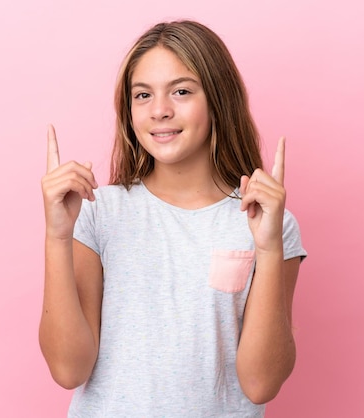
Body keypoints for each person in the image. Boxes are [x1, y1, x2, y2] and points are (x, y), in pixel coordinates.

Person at [39, 20, 307, 417]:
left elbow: (261, 384)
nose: (160, 110)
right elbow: (67, 369)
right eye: (143, 95)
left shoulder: (267, 222)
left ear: (218, 99)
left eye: (181, 91)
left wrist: (268, 249)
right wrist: (57, 237)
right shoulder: (97, 212)